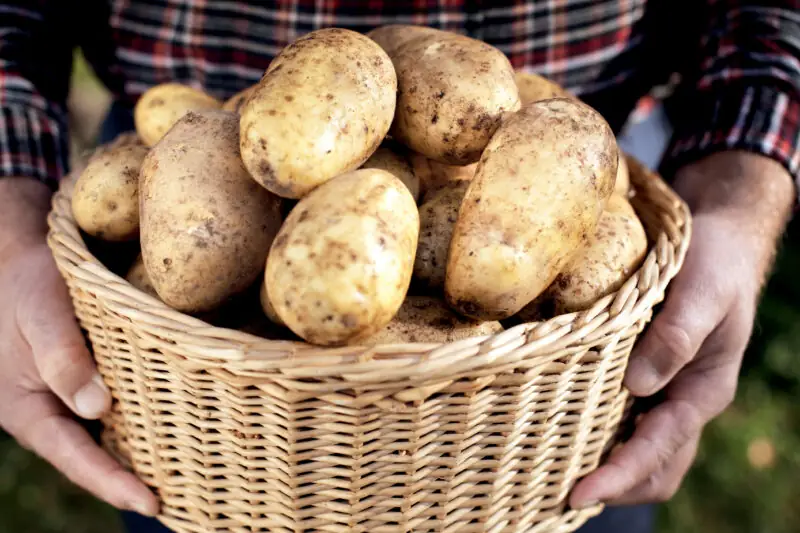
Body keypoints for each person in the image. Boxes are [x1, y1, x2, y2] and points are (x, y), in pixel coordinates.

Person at [0, 1, 797, 532]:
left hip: (584, 222)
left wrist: (735, 205)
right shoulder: (246, 160)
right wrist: (8, 233)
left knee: (589, 493)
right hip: (203, 366)